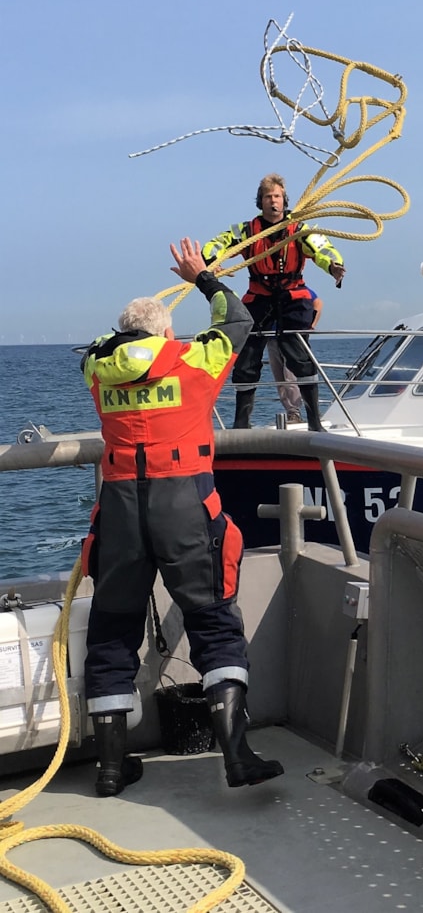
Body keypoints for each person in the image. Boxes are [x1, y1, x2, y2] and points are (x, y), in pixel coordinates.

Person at [80, 238, 284, 796]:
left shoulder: (98, 368)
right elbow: (237, 319)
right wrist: (203, 277)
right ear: (167, 334)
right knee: (214, 622)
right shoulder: (191, 359)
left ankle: (110, 769)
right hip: (184, 505)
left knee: (112, 631)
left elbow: (97, 347)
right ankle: (236, 755)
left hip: (120, 510)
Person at [202, 173, 345, 431]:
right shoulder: (246, 231)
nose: (273, 201)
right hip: (259, 297)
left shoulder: (299, 230)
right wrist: (212, 261)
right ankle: (241, 424)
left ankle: (314, 422)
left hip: (293, 296)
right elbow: (217, 243)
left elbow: (322, 248)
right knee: (246, 358)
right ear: (261, 201)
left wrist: (334, 266)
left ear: (284, 200)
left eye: (277, 196)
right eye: (268, 197)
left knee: (298, 355)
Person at [266, 290, 323, 424]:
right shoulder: (268, 290)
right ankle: (292, 412)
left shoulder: (297, 288)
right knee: (280, 378)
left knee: (290, 377)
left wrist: (311, 325)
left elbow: (318, 303)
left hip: (290, 337)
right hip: (272, 337)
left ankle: (298, 412)